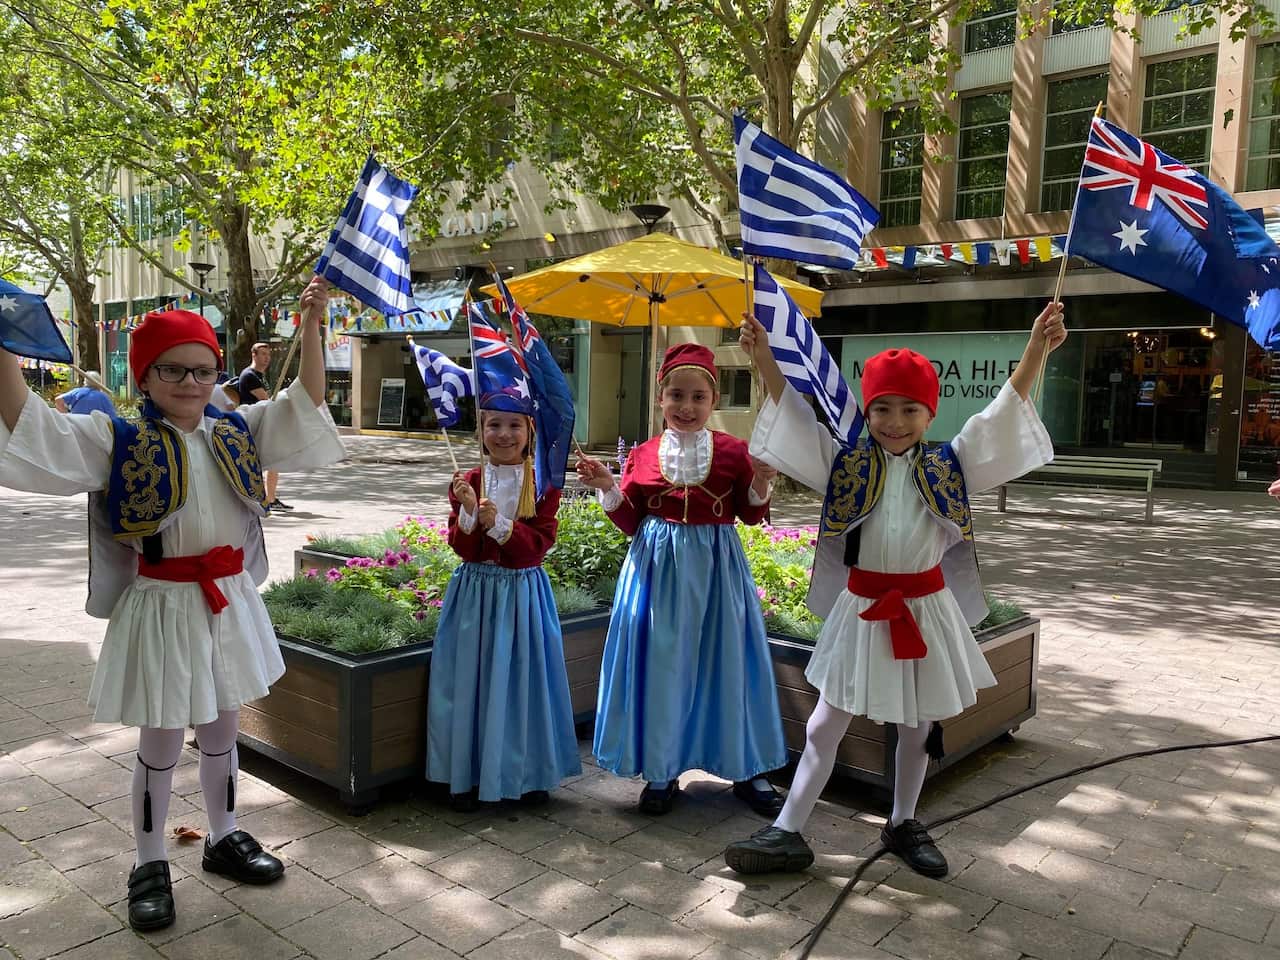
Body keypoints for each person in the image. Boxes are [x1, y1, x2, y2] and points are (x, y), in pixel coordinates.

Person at [0, 276, 344, 932]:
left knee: (221, 732)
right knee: (159, 740)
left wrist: (316, 323)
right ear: (145, 375)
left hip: (227, 602)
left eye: (204, 368)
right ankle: (149, 861)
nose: (191, 381)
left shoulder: (236, 427)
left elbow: (307, 401)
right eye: (173, 369)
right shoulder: (114, 436)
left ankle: (224, 836)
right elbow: (30, 427)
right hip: (161, 606)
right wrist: (4, 343)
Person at [722, 303, 1067, 878]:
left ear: (929, 413)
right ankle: (787, 829)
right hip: (862, 610)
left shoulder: (951, 464)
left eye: (910, 409)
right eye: (882, 407)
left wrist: (1035, 352)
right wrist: (763, 359)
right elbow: (795, 418)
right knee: (824, 723)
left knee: (918, 724)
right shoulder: (844, 462)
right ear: (868, 408)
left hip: (926, 612)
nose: (895, 420)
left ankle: (904, 820)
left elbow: (1001, 414)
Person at [576, 343, 788, 817]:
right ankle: (662, 768)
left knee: (726, 661)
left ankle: (745, 768)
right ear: (661, 399)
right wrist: (608, 484)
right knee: (663, 665)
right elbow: (631, 520)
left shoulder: (735, 452)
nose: (686, 407)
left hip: (716, 569)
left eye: (697, 397)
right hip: (657, 572)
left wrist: (762, 478)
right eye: (676, 395)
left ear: (713, 401)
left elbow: (752, 515)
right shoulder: (643, 455)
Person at [428, 386, 581, 811]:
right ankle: (466, 772)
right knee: (470, 679)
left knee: (523, 680)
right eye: (493, 424)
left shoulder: (545, 483)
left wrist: (501, 527)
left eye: (515, 424)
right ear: (480, 431)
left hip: (521, 593)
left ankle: (527, 773)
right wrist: (469, 512)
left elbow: (539, 545)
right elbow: (461, 548)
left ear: (530, 431)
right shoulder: (470, 480)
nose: (504, 434)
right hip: (475, 591)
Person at [238, 341, 289, 510]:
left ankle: (270, 498)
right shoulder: (249, 376)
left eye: (268, 355)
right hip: (253, 425)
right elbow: (265, 400)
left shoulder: (260, 376)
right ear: (254, 355)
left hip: (264, 423)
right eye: (263, 354)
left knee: (273, 462)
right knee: (261, 463)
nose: (267, 358)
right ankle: (260, 498)